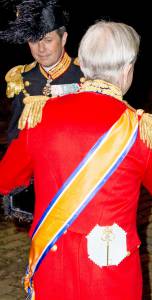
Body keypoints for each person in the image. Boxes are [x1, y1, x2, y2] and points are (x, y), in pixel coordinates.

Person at [0, 20, 152, 300]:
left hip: (53, 265)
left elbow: (7, 179)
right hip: (110, 274)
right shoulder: (140, 129)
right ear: (127, 68)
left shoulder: (40, 115)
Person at [0, 0, 84, 222]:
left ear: (63, 38)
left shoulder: (83, 75)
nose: (41, 48)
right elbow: (15, 134)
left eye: (48, 40)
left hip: (77, 178)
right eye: (34, 41)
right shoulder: (23, 78)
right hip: (40, 184)